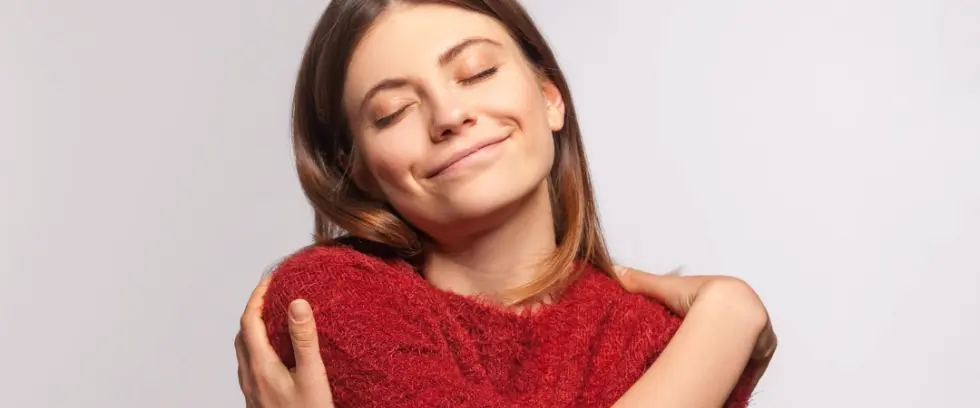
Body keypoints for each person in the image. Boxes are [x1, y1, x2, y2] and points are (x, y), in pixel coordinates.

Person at [234, 0, 777, 407]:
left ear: (548, 98)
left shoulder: (656, 337)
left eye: (477, 72)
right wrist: (729, 316)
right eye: (394, 110)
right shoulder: (327, 298)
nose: (449, 114)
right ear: (359, 171)